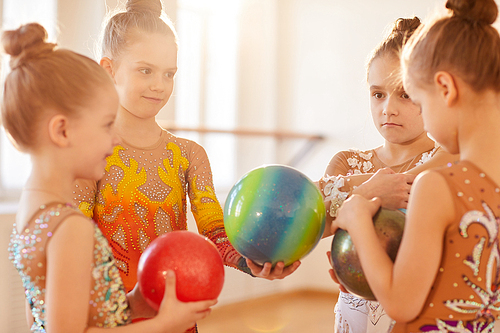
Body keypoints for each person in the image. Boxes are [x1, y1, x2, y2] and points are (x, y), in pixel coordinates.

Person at [73, 1, 298, 330]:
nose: (159, 85)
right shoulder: (91, 151)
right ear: (109, 69)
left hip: (175, 313)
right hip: (111, 317)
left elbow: (216, 234)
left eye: (169, 73)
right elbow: (76, 239)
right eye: (145, 70)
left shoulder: (189, 154)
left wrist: (253, 261)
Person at [5, 22, 217, 333]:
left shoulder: (32, 207)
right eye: (106, 126)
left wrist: (133, 303)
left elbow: (46, 316)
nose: (116, 140)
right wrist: (163, 325)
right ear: (62, 130)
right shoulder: (71, 227)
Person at [331, 0, 500, 331]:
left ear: (446, 89)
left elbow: (400, 303)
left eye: (416, 100)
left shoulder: (437, 185)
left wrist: (357, 219)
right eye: (378, 95)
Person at [318, 17, 458, 333]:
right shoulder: (345, 162)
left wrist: (356, 198)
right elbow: (318, 225)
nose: (388, 109)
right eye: (378, 94)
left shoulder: (448, 157)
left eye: (404, 95)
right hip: (353, 307)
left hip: (419, 309)